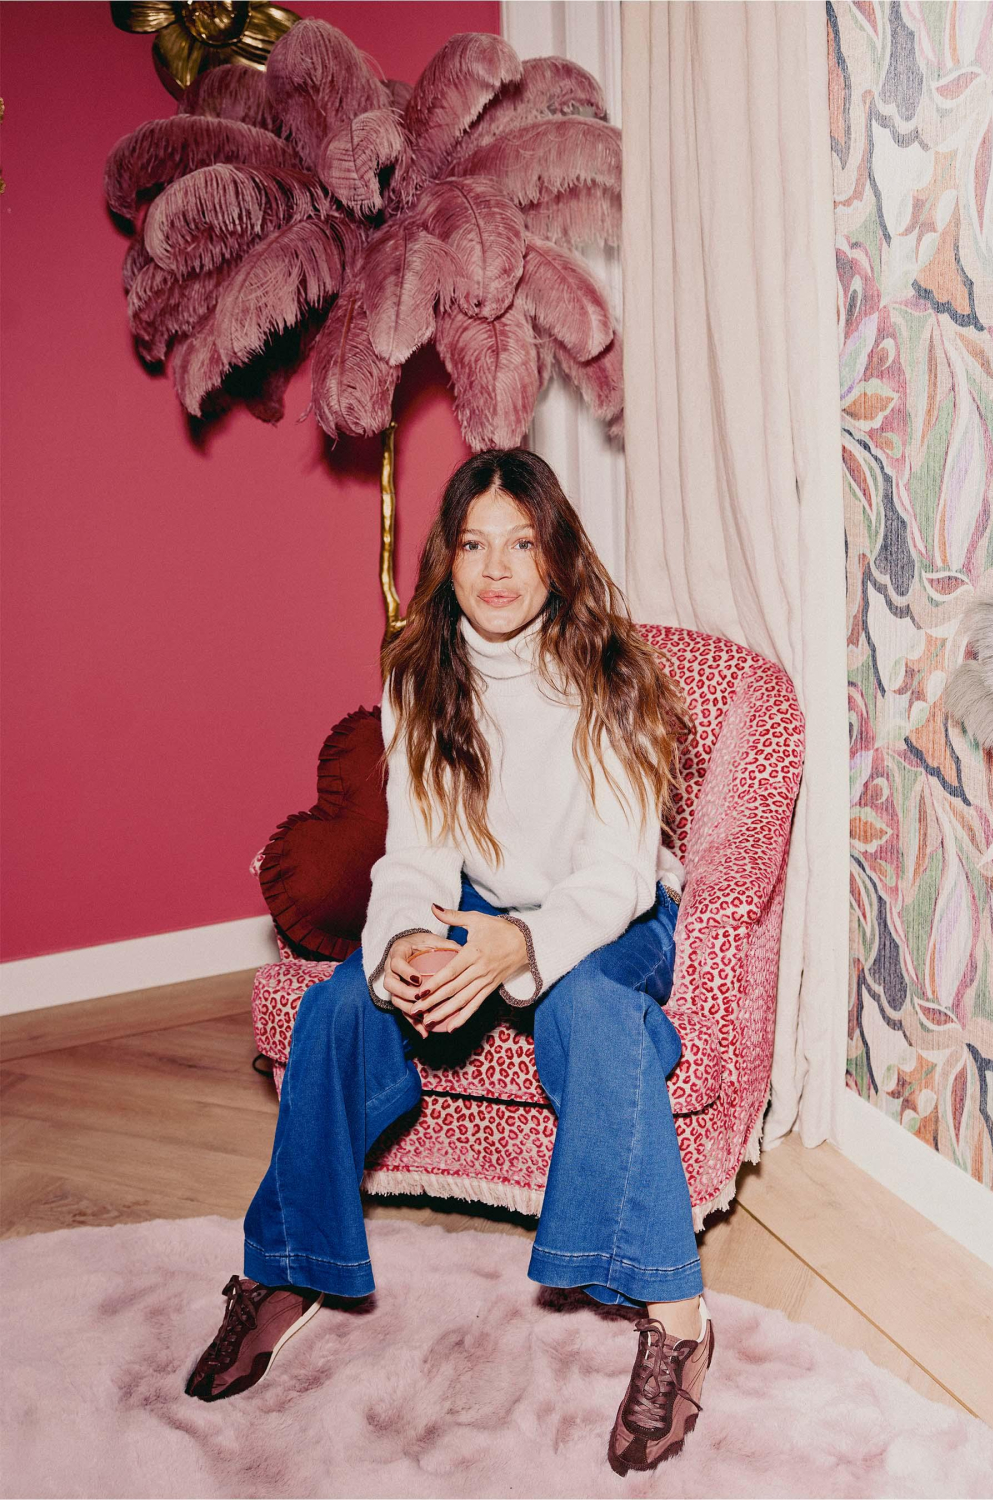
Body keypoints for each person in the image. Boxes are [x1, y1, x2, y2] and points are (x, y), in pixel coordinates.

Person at [185, 449, 713, 1475]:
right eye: (475, 545)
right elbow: (418, 857)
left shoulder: (612, 673)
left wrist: (522, 946)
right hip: (478, 902)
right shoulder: (419, 675)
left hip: (610, 910)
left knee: (589, 1014)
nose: (497, 569)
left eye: (521, 543)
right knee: (342, 1005)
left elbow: (614, 873)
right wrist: (404, 945)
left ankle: (679, 1317)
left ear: (557, 556)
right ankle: (288, 1266)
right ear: (448, 558)